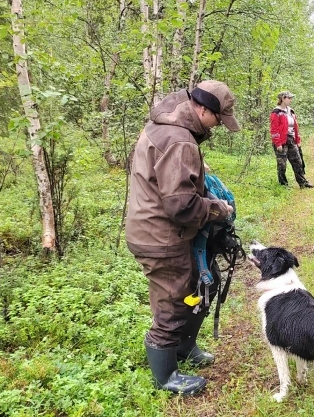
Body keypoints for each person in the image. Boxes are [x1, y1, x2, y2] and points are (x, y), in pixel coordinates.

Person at [125, 80, 240, 395]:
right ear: (203, 109)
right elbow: (181, 205)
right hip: (160, 236)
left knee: (206, 282)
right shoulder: (179, 140)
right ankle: (166, 375)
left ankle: (184, 346)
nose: (218, 125)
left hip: (165, 231)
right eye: (218, 118)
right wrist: (219, 208)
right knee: (174, 301)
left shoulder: (170, 127)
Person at [270, 91, 313, 188]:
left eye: (291, 98)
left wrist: (298, 140)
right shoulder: (276, 112)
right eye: (289, 98)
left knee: (298, 161)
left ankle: (302, 182)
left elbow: (295, 127)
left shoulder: (291, 111)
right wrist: (278, 144)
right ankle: (283, 184)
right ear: (283, 99)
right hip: (281, 141)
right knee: (282, 165)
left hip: (291, 139)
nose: (290, 100)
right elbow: (274, 129)